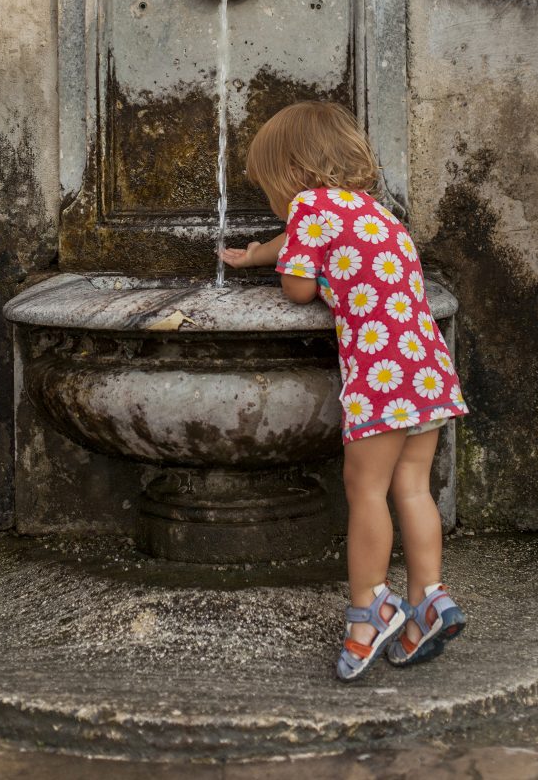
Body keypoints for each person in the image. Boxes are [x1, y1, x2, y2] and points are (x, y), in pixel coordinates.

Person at [221, 101, 468, 681]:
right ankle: (430, 597)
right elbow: (300, 242)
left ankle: (371, 609)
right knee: (412, 488)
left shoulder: (308, 207)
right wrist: (255, 253)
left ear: (288, 173)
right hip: (425, 368)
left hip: (378, 375)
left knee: (365, 489)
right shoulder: (375, 213)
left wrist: (280, 270)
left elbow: (300, 289)